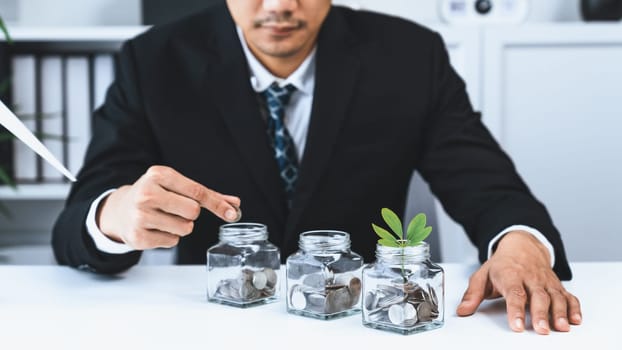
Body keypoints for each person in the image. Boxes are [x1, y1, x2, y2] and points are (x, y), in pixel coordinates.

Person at [52, 0, 581, 335]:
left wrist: (520, 245)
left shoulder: (410, 55)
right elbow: (80, 216)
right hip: (217, 327)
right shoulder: (152, 61)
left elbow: (486, 183)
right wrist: (112, 216)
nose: (280, 6)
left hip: (367, 323)